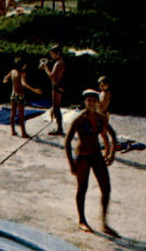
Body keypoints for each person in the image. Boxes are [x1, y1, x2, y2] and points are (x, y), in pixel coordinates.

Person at [64, 89, 118, 236]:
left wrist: (112, 153)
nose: (91, 103)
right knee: (82, 188)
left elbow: (113, 135)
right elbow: (67, 141)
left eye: (94, 100)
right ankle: (82, 220)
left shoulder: (101, 118)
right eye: (89, 100)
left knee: (106, 188)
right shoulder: (79, 119)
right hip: (82, 157)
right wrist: (71, 163)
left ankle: (104, 222)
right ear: (85, 102)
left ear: (97, 102)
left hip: (96, 155)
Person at [3, 58, 43, 138]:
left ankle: (13, 131)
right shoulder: (22, 73)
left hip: (13, 95)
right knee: (21, 115)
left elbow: (5, 79)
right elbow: (23, 83)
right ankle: (23, 133)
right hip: (20, 95)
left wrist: (6, 80)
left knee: (13, 113)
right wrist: (34, 90)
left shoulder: (12, 71)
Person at [40, 45, 66, 135]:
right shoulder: (59, 62)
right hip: (57, 85)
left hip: (57, 86)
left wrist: (46, 67)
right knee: (56, 107)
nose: (51, 56)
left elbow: (52, 76)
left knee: (56, 108)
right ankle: (59, 128)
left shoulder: (58, 63)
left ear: (58, 53)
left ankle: (60, 129)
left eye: (52, 54)